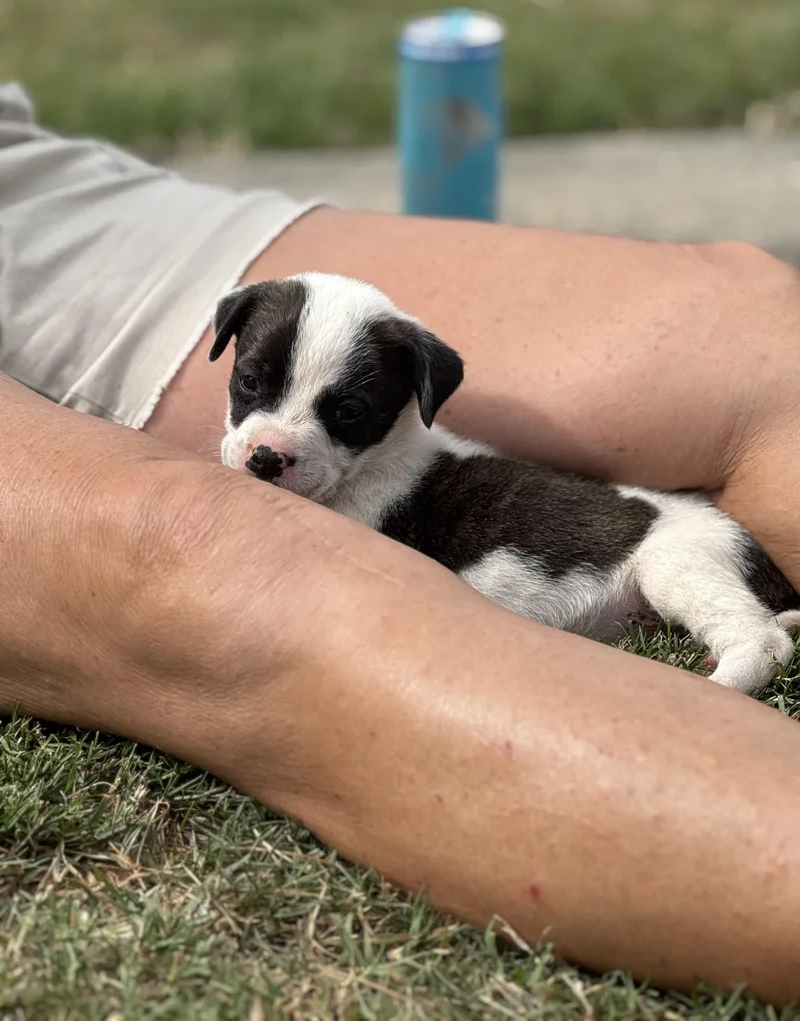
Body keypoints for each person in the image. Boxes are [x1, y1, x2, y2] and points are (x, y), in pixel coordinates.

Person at [2, 81, 800, 1004]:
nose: (271, 434)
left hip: (66, 198)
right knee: (240, 558)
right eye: (254, 389)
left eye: (340, 416)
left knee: (761, 330)